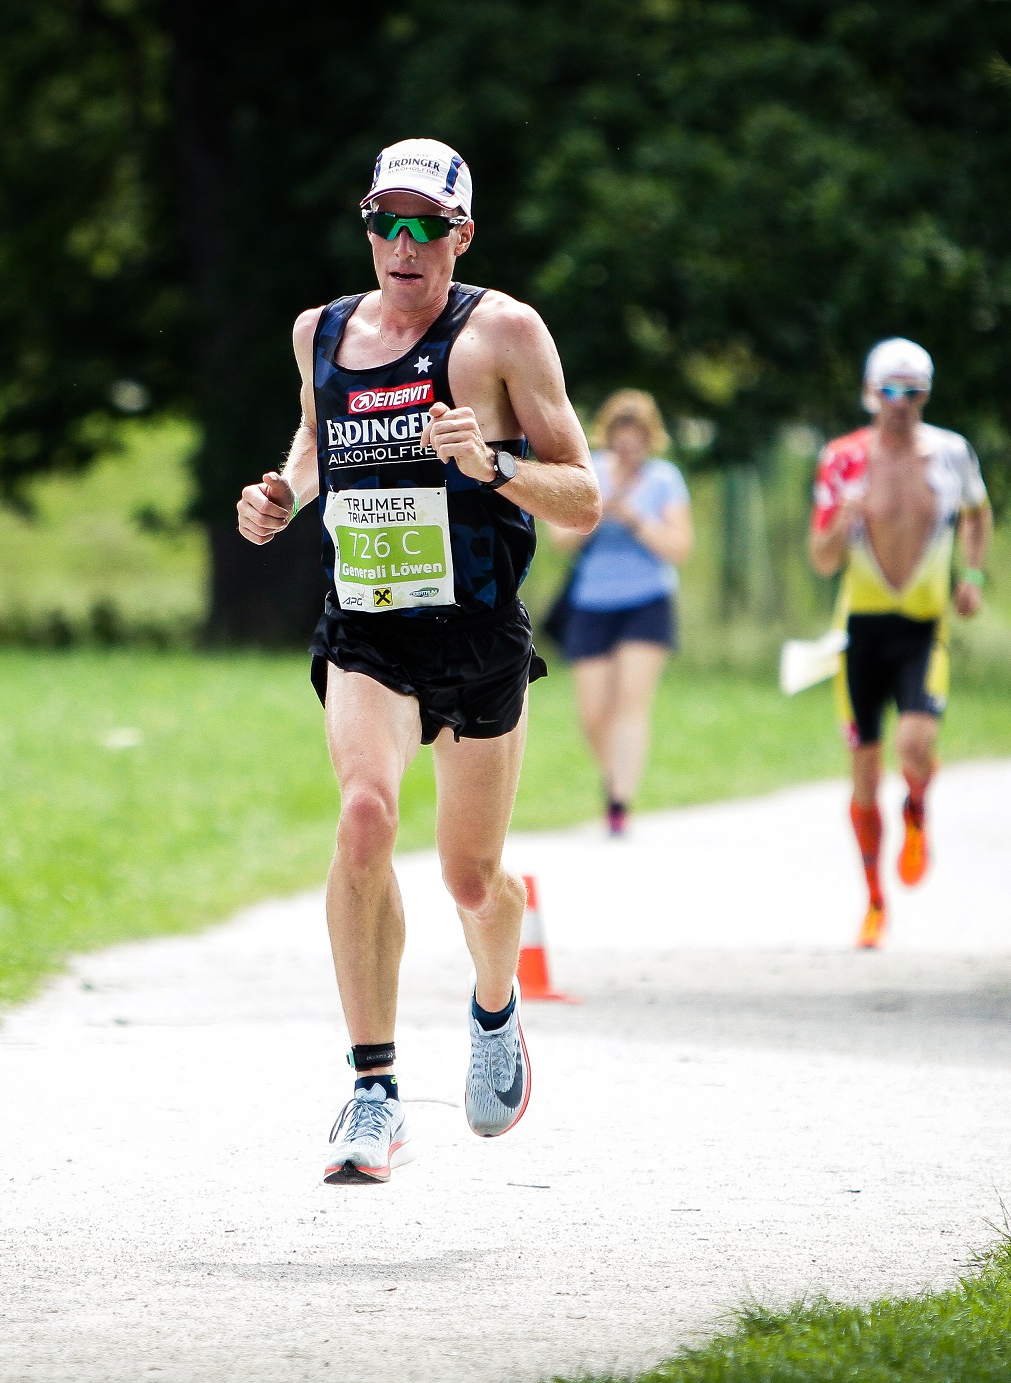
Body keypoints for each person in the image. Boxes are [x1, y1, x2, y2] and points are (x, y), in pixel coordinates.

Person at [235, 138, 600, 1184]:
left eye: (424, 225)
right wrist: (282, 498)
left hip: (479, 633)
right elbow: (314, 446)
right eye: (383, 221)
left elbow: (585, 496)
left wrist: (493, 464)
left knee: (470, 877)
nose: (402, 243)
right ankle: (373, 1092)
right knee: (362, 816)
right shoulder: (321, 331)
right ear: (365, 228)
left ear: (461, 235)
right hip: (367, 630)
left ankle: (495, 1003)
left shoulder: (502, 333)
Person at [807, 338, 991, 949]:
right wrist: (844, 519)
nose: (901, 403)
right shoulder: (843, 460)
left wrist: (973, 575)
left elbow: (979, 513)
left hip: (922, 628)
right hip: (859, 633)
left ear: (927, 395)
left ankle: (917, 807)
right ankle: (874, 900)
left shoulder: (951, 452)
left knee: (916, 747)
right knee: (863, 777)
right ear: (869, 392)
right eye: (890, 390)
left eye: (914, 391)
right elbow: (822, 558)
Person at [551, 390, 694, 836]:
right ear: (608, 438)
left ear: (651, 441)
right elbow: (560, 539)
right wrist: (598, 513)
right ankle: (617, 777)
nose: (628, 451)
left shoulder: (664, 480)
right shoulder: (590, 472)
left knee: (631, 702)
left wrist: (633, 519)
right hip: (592, 601)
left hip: (647, 601)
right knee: (594, 714)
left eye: (637, 443)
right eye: (620, 442)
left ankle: (619, 803)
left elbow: (679, 548)